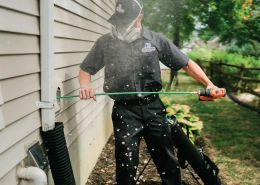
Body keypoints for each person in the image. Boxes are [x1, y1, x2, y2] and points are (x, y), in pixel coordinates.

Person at [78, 0, 218, 184]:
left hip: (153, 108)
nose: (120, 26)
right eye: (118, 21)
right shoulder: (105, 42)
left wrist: (208, 83)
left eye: (125, 21)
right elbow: (86, 69)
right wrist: (84, 86)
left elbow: (185, 63)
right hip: (124, 111)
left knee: (167, 161)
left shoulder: (155, 40)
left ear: (140, 18)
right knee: (125, 163)